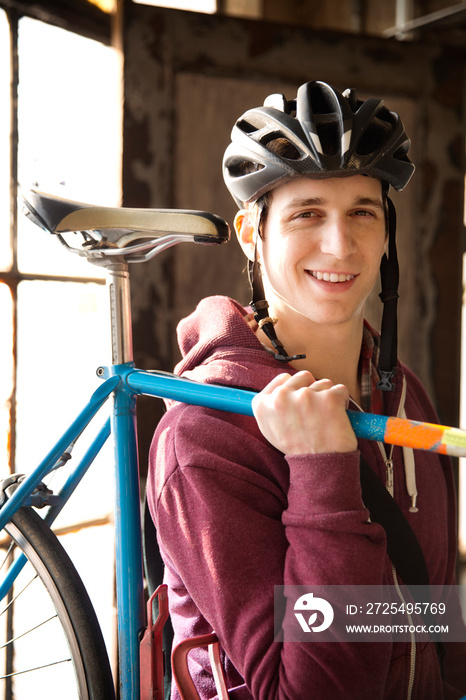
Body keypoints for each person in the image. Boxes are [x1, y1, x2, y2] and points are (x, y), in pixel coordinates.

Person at [147, 80, 466, 699]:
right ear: (251, 232)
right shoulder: (205, 437)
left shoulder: (399, 390)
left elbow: (430, 609)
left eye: (362, 213)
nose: (339, 245)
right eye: (307, 214)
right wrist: (322, 471)